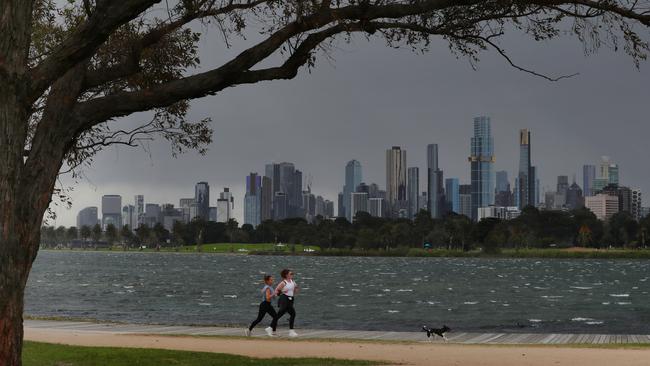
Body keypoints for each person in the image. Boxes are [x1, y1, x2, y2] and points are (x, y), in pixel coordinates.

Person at [267, 268, 299, 337]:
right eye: (291, 274)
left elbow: (296, 288)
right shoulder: (283, 282)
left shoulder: (293, 281)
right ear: (286, 275)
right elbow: (276, 291)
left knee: (282, 314)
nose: (292, 275)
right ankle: (291, 331)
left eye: (292, 274)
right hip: (284, 299)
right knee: (291, 313)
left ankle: (270, 328)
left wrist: (296, 289)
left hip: (290, 299)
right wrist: (282, 292)